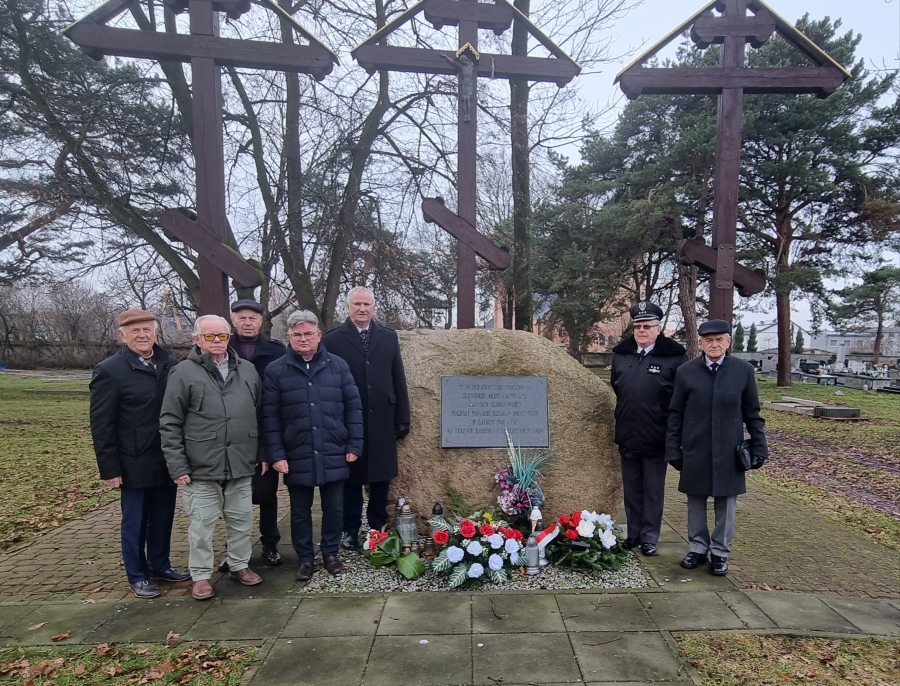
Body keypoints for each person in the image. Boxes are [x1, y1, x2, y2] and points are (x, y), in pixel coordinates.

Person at [160, 314, 264, 600]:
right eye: (209, 336)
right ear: (196, 339)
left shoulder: (248, 370)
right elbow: (170, 421)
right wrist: (177, 465)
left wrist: (260, 452)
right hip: (200, 464)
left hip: (241, 460)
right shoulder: (183, 372)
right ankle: (201, 575)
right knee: (202, 526)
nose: (217, 341)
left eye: (222, 335)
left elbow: (259, 414)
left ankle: (239, 565)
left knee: (241, 521)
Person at [89, 310, 189, 599]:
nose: (142, 335)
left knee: (163, 517)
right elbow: (102, 424)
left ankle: (160, 564)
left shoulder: (170, 364)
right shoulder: (110, 371)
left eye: (147, 330)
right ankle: (137, 575)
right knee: (135, 522)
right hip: (132, 460)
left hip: (165, 458)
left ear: (156, 332)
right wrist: (110, 469)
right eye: (135, 331)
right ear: (122, 336)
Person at [261, 310, 363, 581]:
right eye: (297, 334)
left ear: (318, 335)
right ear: (289, 336)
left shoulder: (338, 366)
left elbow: (353, 407)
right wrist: (276, 455)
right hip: (296, 452)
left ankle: (330, 553)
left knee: (334, 509)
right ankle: (305, 558)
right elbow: (269, 417)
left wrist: (354, 445)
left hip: (333, 448)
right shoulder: (275, 370)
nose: (303, 339)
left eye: (308, 334)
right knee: (299, 511)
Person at [665, 319, 768, 576]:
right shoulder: (686, 372)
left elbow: (753, 413)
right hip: (695, 448)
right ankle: (698, 548)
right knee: (695, 502)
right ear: (700, 343)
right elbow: (675, 414)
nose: (714, 344)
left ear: (728, 342)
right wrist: (673, 449)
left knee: (726, 505)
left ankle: (720, 552)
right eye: (708, 340)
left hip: (729, 450)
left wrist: (760, 447)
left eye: (719, 339)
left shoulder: (743, 371)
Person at [322, 287, 410, 550]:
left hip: (383, 417)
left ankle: (377, 527)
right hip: (347, 419)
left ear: (374, 307)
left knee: (381, 477)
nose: (362, 309)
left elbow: (398, 377)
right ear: (348, 307)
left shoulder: (388, 337)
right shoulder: (332, 340)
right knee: (351, 478)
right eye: (357, 304)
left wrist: (402, 417)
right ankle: (350, 529)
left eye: (367, 304)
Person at [610, 301, 687, 557]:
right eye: (638, 326)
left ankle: (649, 537)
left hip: (657, 436)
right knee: (632, 488)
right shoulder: (621, 355)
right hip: (628, 434)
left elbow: (680, 398)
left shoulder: (673, 356)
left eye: (647, 326)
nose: (641, 330)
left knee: (653, 490)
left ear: (658, 329)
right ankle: (633, 533)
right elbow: (617, 387)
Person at [215, 299, 286, 570]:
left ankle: (270, 544)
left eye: (252, 318)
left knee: (266, 493)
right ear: (233, 320)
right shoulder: (222, 348)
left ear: (261, 321)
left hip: (265, 429)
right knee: (231, 497)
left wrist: (268, 449)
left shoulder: (276, 351)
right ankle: (235, 550)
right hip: (230, 436)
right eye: (242, 318)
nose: (247, 323)